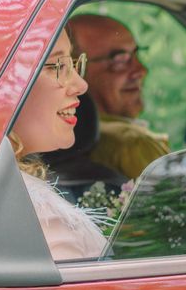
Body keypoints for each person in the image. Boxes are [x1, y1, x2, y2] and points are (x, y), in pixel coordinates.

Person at [10, 27, 106, 261]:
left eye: (72, 64)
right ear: (7, 84)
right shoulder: (42, 216)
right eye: (58, 66)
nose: (81, 85)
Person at [68, 14, 170, 179]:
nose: (142, 70)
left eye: (136, 55)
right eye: (119, 60)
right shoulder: (132, 143)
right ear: (74, 70)